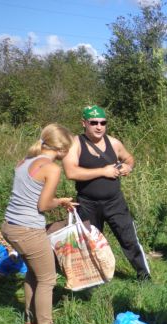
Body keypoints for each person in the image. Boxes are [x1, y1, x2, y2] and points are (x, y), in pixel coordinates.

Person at [0, 124, 77, 324]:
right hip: (28, 230)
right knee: (48, 279)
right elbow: (43, 205)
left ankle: (30, 320)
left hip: (10, 226)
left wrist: (57, 200)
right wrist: (59, 201)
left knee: (34, 274)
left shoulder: (24, 162)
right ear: (61, 149)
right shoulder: (52, 168)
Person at [63, 105, 150, 280]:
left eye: (103, 123)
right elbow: (71, 172)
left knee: (129, 239)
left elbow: (129, 158)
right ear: (84, 123)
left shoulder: (113, 143)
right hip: (87, 203)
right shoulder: (75, 144)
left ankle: (144, 276)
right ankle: (94, 280)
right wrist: (103, 171)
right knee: (90, 244)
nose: (99, 127)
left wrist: (128, 167)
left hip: (115, 202)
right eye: (94, 122)